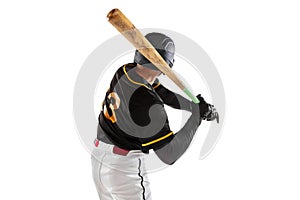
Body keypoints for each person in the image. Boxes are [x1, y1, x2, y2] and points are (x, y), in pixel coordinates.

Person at [91, 32, 219, 200]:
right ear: (166, 67)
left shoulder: (125, 71)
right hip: (123, 169)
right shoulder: (152, 107)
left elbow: (161, 91)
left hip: (99, 157)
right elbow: (169, 154)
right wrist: (196, 118)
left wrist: (193, 106)